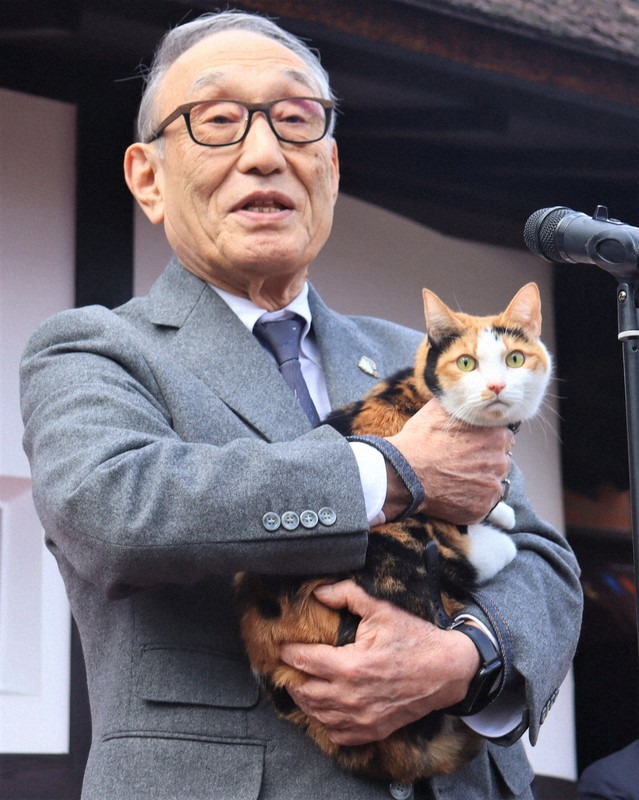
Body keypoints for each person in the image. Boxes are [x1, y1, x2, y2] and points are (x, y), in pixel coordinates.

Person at [19, 10, 583, 799]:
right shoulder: (94, 349)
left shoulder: (412, 354)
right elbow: (115, 512)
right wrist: (393, 473)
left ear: (331, 166)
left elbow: (540, 558)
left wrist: (467, 656)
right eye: (217, 122)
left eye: (295, 122)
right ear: (147, 177)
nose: (264, 155)